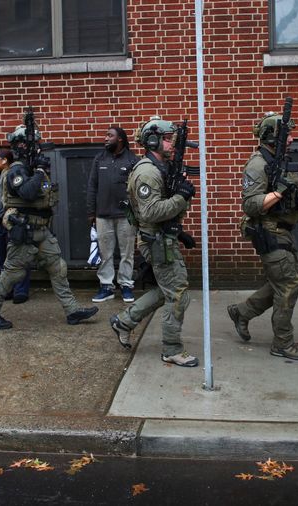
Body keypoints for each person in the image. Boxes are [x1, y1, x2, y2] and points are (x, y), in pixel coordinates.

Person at [226, 111, 298, 361]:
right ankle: (282, 343)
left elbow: (292, 199)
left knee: (280, 284)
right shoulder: (258, 164)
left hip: (286, 232)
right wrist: (279, 192)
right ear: (271, 137)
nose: (292, 139)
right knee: (287, 287)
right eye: (287, 134)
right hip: (269, 233)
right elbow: (250, 205)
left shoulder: (282, 161)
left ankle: (242, 312)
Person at [0, 122, 98, 329]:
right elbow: (26, 192)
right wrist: (40, 170)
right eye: (30, 144)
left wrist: (39, 170)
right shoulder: (15, 170)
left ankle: (72, 311)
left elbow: (42, 192)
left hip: (41, 230)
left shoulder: (30, 168)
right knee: (12, 274)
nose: (35, 148)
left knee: (58, 268)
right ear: (19, 146)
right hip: (24, 232)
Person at [109, 116, 198, 367]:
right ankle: (171, 349)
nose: (171, 145)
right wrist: (181, 197)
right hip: (156, 242)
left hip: (163, 237)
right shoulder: (147, 172)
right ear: (152, 141)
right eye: (168, 140)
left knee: (165, 291)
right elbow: (150, 212)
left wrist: (178, 232)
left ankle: (123, 321)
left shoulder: (161, 168)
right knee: (178, 296)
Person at [86, 126, 139, 303]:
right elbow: (92, 186)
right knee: (105, 253)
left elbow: (137, 190)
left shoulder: (133, 160)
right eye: (106, 135)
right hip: (102, 215)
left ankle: (125, 286)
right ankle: (106, 287)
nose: (106, 138)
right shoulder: (99, 159)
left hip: (126, 216)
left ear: (120, 139)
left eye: (110, 135)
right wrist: (91, 212)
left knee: (127, 253)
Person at [0, 148, 31, 303]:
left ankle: (21, 290)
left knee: (18, 257)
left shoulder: (14, 175)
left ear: (5, 161)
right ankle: (7, 289)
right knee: (2, 259)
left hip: (12, 222)